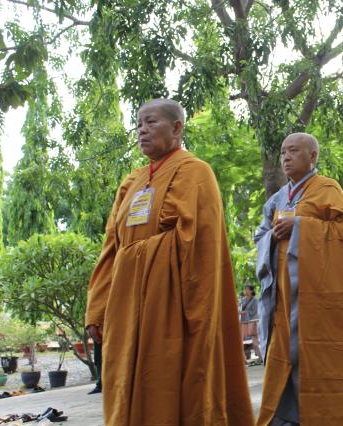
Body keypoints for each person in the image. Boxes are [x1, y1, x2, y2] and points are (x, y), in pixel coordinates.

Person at [85, 99, 253, 425]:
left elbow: (199, 246)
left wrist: (133, 258)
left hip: (171, 305)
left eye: (151, 122)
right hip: (126, 305)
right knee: (124, 385)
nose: (142, 130)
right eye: (138, 124)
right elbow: (111, 248)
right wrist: (98, 305)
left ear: (177, 128)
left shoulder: (196, 173)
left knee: (170, 384)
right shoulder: (131, 183)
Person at [255, 133, 343, 426]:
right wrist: (271, 237)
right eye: (283, 152)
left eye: (293, 151)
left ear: (312, 156)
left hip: (319, 296)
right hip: (284, 295)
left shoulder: (328, 189)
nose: (286, 157)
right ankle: (286, 415)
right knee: (284, 354)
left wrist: (300, 226)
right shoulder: (278, 198)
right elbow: (260, 235)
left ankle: (327, 415)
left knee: (320, 356)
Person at [240, 285, 262, 364]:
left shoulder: (255, 300)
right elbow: (240, 309)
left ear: (251, 291)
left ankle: (261, 358)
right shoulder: (243, 300)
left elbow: (256, 312)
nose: (245, 291)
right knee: (240, 342)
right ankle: (243, 360)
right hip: (243, 322)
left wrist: (245, 313)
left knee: (255, 342)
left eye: (247, 289)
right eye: (245, 289)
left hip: (252, 322)